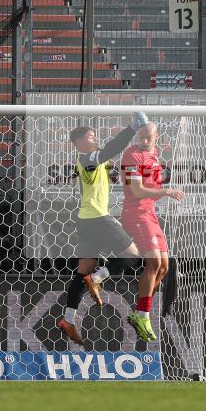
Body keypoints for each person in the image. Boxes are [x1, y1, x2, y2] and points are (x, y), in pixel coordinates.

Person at [57, 112, 149, 345]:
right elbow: (111, 149)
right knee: (132, 255)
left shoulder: (95, 161)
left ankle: (68, 318)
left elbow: (110, 160)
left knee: (82, 271)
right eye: (89, 136)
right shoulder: (87, 159)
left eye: (94, 135)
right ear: (78, 142)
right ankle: (99, 277)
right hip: (97, 218)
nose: (94, 138)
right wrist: (130, 128)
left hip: (85, 221)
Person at [120, 122, 185, 342]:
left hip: (150, 214)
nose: (144, 141)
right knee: (154, 263)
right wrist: (166, 191)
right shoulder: (131, 155)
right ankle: (143, 314)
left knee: (165, 267)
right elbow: (137, 190)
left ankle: (140, 312)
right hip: (135, 214)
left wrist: (160, 192)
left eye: (148, 137)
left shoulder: (154, 155)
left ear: (157, 136)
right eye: (141, 137)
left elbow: (150, 191)